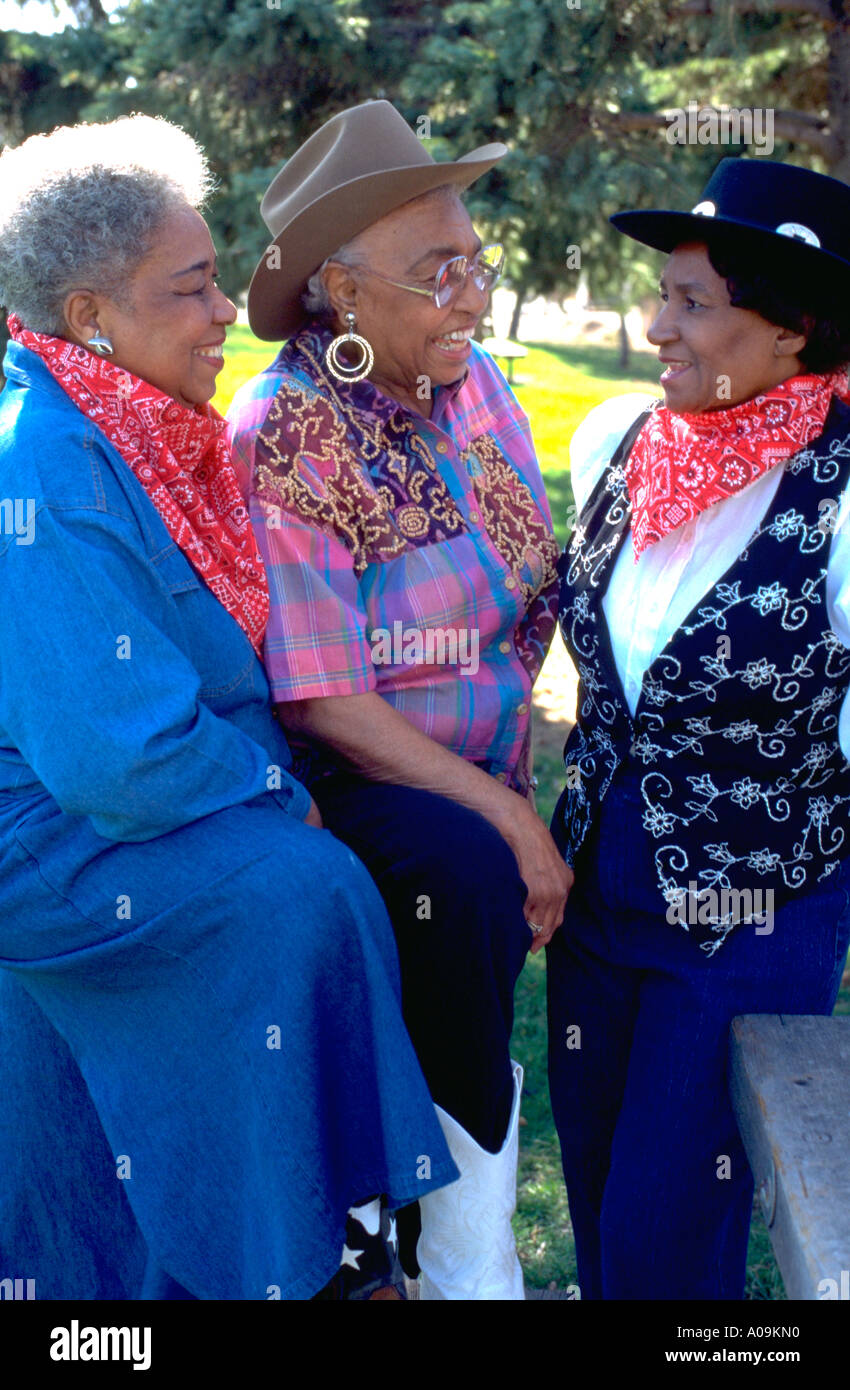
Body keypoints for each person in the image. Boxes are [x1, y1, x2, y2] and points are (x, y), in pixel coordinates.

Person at [0, 113, 458, 1302]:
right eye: (194, 288)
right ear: (93, 315)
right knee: (301, 889)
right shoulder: (38, 462)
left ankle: (293, 1239)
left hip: (132, 801)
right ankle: (310, 1253)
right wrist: (272, 794)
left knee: (341, 872)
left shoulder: (121, 422)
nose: (224, 313)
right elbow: (117, 756)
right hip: (63, 840)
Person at [228, 99, 571, 1299]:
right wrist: (514, 818)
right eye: (439, 273)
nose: (472, 296)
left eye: (475, 261)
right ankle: (442, 1256)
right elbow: (324, 702)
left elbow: (528, 589)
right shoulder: (288, 433)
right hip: (354, 794)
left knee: (481, 905)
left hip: (474, 781)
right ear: (338, 290)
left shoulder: (474, 389)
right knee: (464, 872)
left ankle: (430, 1239)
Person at [548, 156, 850, 1300]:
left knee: (660, 1245)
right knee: (598, 1212)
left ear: (791, 332)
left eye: (692, 302)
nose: (656, 324)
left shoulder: (841, 497)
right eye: (660, 294)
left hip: (751, 916)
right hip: (594, 901)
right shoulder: (618, 444)